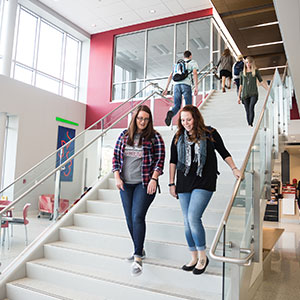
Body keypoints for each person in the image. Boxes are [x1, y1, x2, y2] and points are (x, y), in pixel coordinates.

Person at [168, 105, 241, 275]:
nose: (186, 123)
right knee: (186, 221)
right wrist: (171, 183)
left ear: (196, 118)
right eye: (183, 120)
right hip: (184, 181)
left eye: (189, 119)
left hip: (204, 180)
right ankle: (193, 256)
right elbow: (173, 160)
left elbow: (223, 152)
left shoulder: (210, 133)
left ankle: (203, 256)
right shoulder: (178, 136)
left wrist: (234, 168)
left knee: (193, 217)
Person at [112, 105, 165, 277]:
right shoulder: (124, 135)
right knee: (129, 219)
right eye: (140, 118)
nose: (142, 122)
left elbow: (160, 160)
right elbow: (115, 157)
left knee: (137, 216)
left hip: (144, 183)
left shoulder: (155, 137)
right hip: (126, 184)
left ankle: (137, 258)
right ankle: (139, 248)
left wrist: (154, 178)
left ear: (149, 121)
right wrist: (117, 176)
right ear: (134, 119)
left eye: (146, 119)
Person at [163, 50, 199, 126]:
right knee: (188, 106)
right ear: (190, 56)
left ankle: (171, 113)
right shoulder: (192, 62)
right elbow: (195, 73)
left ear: (184, 56)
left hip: (176, 86)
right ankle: (189, 123)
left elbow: (170, 76)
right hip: (186, 85)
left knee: (177, 105)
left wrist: (166, 88)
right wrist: (196, 87)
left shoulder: (177, 64)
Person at [238, 56, 269, 127]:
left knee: (251, 107)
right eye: (246, 63)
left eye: (249, 62)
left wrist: (267, 89)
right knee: (247, 110)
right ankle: (249, 123)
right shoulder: (242, 73)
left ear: (252, 63)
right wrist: (239, 97)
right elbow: (241, 85)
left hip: (253, 93)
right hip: (245, 94)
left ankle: (251, 123)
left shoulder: (255, 72)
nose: (248, 64)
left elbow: (261, 81)